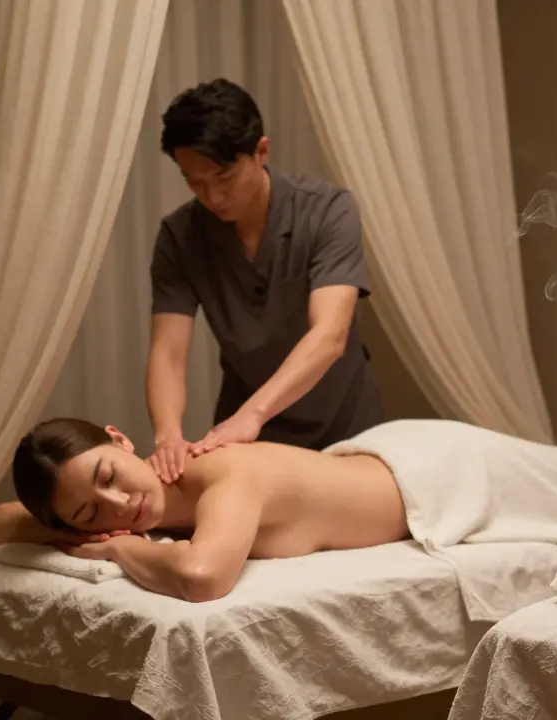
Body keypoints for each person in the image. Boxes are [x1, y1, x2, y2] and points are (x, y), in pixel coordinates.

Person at [0, 416, 557, 603]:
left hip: (442, 471)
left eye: (108, 475)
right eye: (87, 513)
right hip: (380, 463)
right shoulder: (144, 505)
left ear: (120, 438)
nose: (117, 503)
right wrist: (58, 529)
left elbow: (202, 577)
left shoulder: (225, 477)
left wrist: (116, 546)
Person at [146, 78, 383, 484]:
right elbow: (168, 353)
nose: (213, 196)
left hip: (343, 425)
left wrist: (252, 415)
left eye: (223, 177)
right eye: (195, 181)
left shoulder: (327, 210)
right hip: (246, 437)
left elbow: (329, 334)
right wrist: (168, 435)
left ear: (261, 151)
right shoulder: (180, 235)